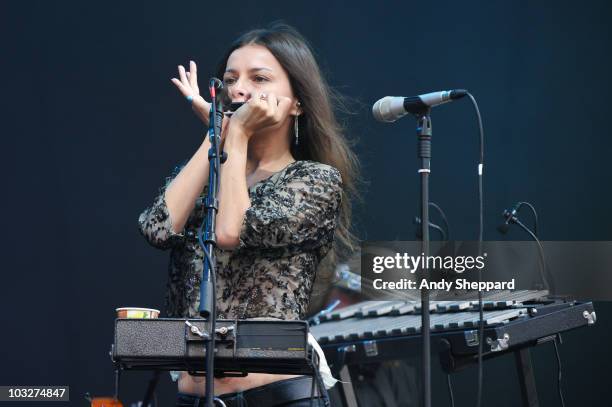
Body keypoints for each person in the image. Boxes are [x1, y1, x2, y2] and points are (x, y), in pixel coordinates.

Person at [138, 23, 359, 406]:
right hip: (192, 397)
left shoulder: (314, 180)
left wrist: (236, 137)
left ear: (297, 102)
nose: (239, 89)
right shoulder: (209, 173)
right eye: (230, 79)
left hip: (273, 397)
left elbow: (231, 231)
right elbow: (157, 228)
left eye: (259, 78)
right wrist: (216, 135)